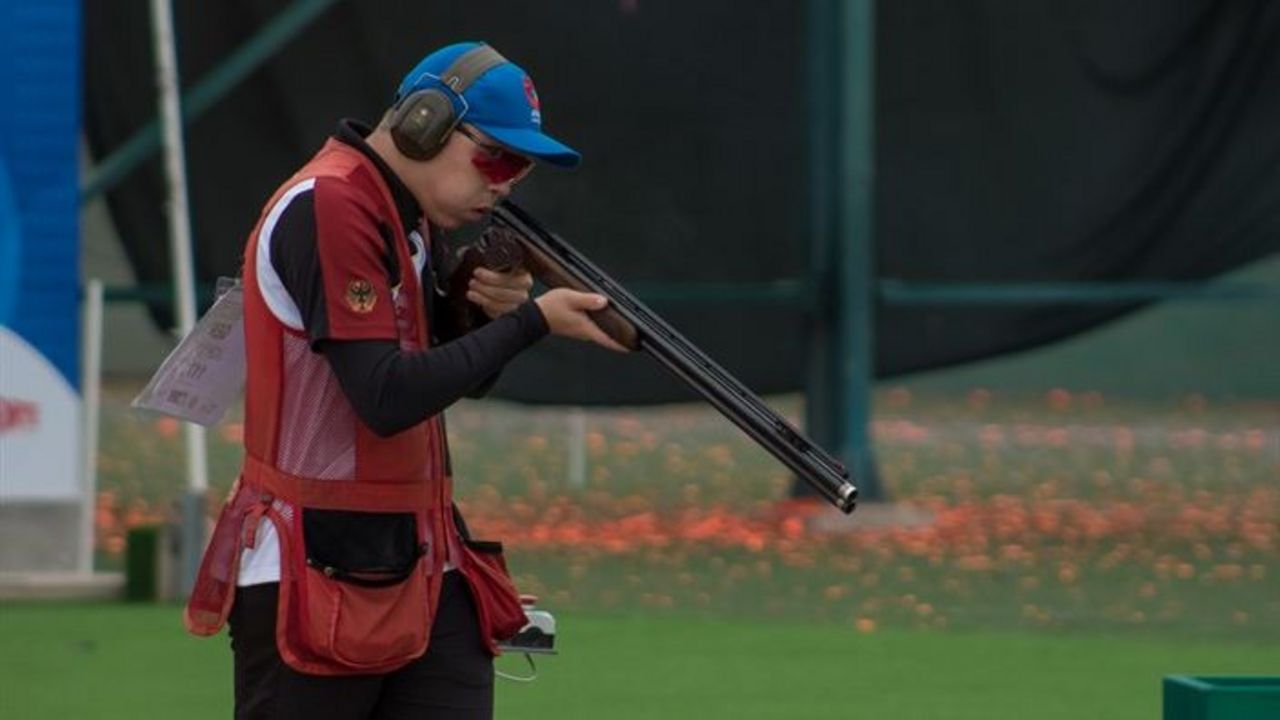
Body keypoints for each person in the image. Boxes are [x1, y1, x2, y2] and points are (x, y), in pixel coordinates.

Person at [183, 41, 622, 719]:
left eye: (522, 167)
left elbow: (445, 382)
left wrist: (480, 314)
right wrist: (530, 322)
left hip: (420, 559)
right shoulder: (332, 204)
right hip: (314, 569)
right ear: (425, 123)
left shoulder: (405, 213)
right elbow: (385, 397)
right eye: (497, 157)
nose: (506, 182)